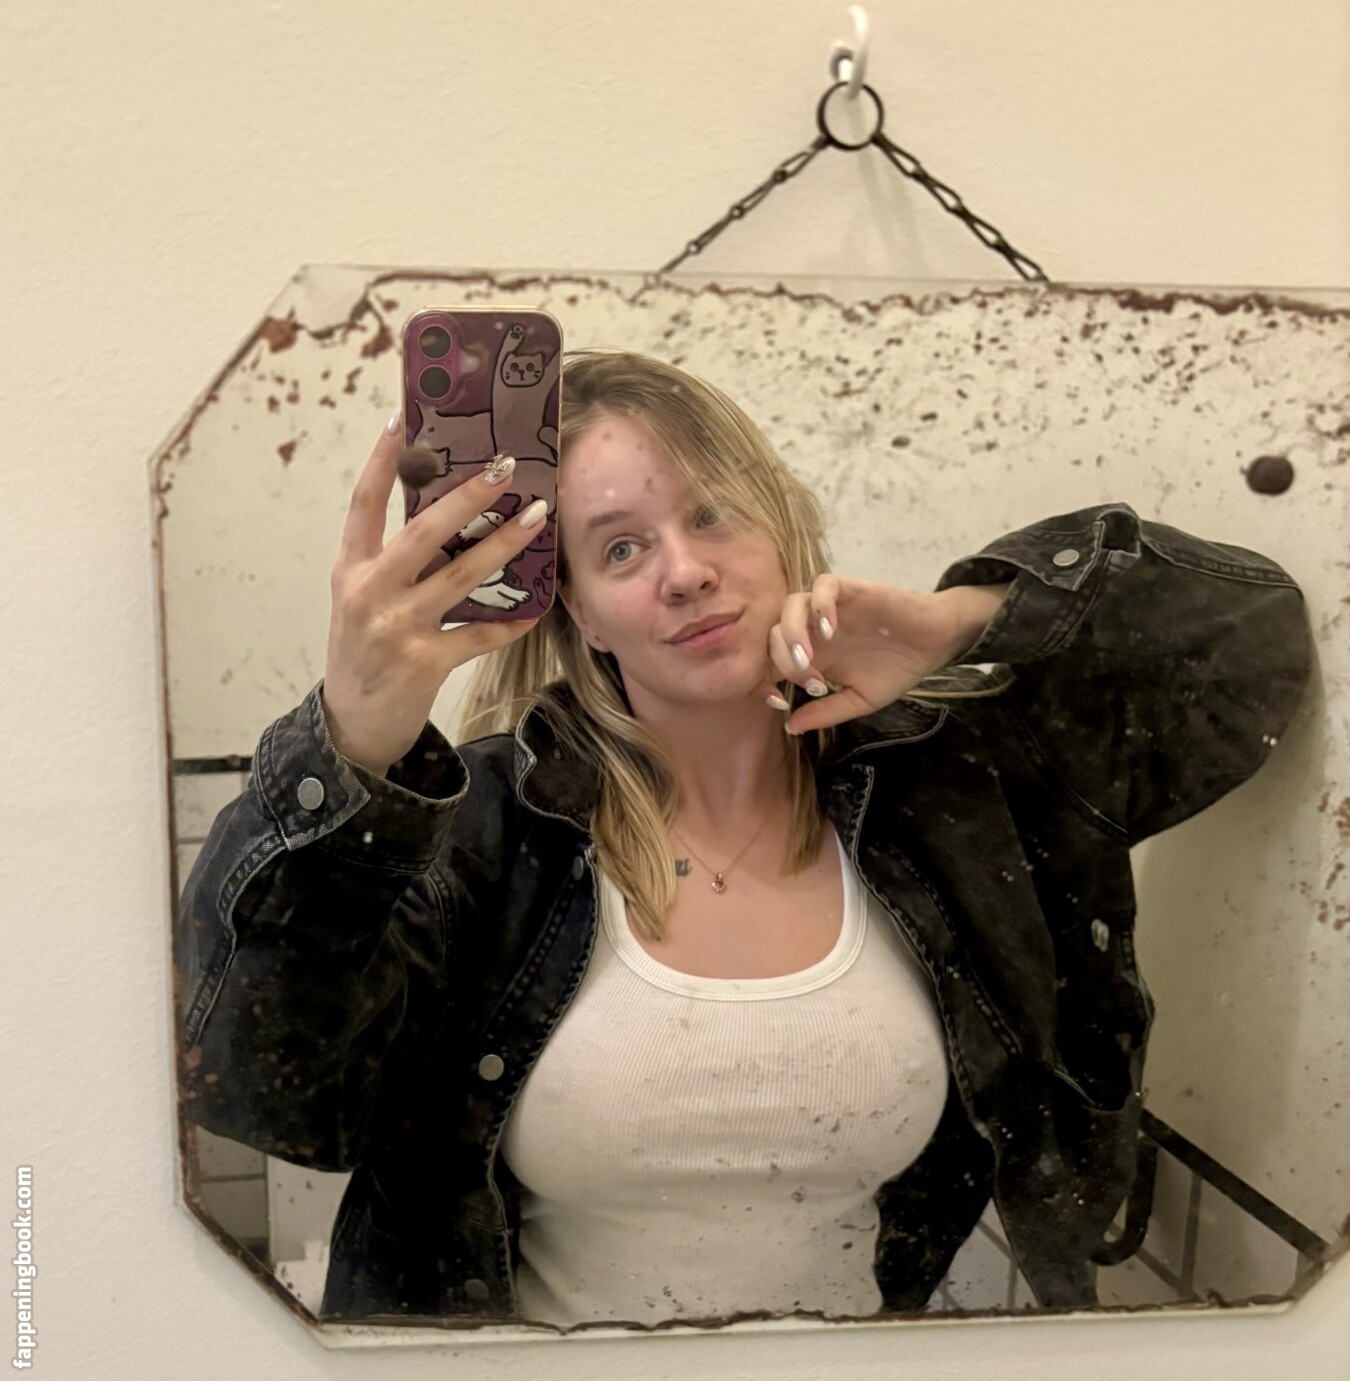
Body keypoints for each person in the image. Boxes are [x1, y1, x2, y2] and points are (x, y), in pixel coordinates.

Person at [176, 351, 1313, 1328]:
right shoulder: (482, 829)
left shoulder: (951, 795)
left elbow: (1251, 644)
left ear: (781, 523)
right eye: (621, 550)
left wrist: (959, 620)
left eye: (712, 513)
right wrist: (352, 748)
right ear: (575, 608)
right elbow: (265, 1093)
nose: (686, 571)